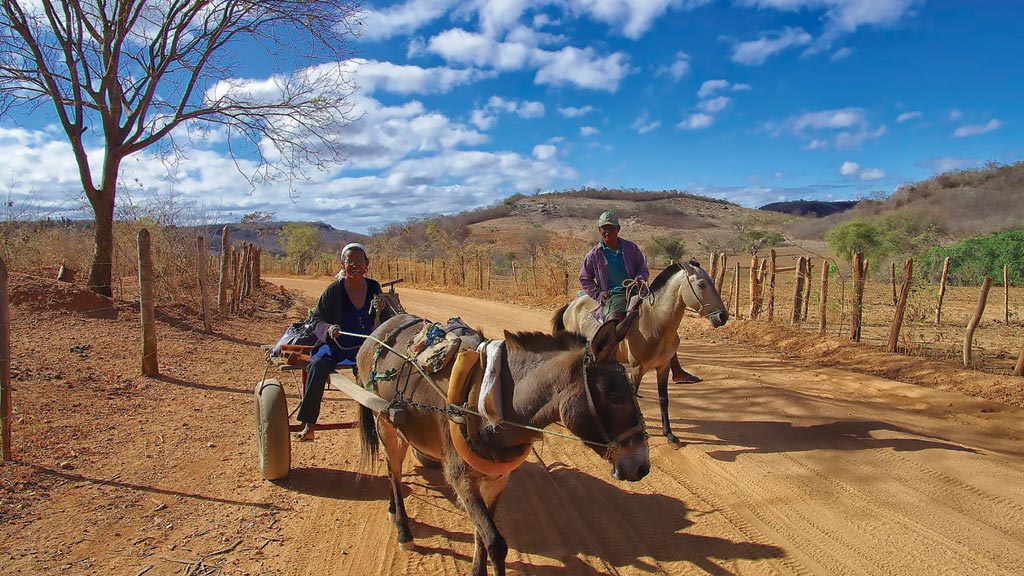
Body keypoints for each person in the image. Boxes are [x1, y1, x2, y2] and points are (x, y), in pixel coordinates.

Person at [579, 210, 699, 384]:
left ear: (618, 229)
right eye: (604, 228)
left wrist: (640, 278)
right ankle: (608, 369)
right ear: (599, 230)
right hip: (613, 295)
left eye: (611, 228)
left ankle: (677, 371)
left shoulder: (630, 248)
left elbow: (642, 268)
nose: (607, 232)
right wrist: (598, 293)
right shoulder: (594, 254)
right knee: (614, 324)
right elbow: (585, 278)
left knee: (662, 323)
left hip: (637, 290)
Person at [294, 243, 382, 441]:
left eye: (360, 262)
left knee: (379, 375)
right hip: (336, 347)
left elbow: (384, 316)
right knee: (316, 366)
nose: (355, 266)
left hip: (364, 348)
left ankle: (381, 425)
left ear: (367, 264)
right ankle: (309, 424)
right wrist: (328, 329)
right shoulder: (333, 291)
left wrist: (383, 306)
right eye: (350, 262)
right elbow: (316, 320)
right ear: (343, 264)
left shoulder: (374, 288)